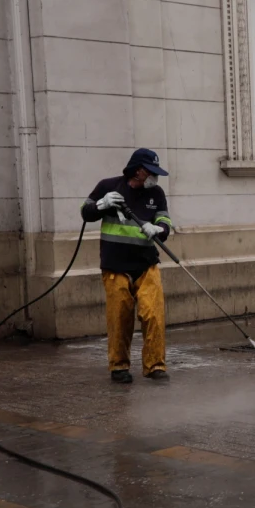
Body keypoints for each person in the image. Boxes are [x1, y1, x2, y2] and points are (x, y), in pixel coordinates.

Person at [81, 149, 173, 383]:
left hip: (146, 265)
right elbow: (86, 212)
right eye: (151, 172)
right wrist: (102, 204)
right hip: (115, 267)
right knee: (119, 318)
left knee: (153, 315)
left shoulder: (157, 194)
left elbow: (165, 222)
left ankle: (155, 366)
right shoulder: (108, 187)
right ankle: (119, 366)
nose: (155, 177)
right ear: (139, 170)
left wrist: (158, 230)